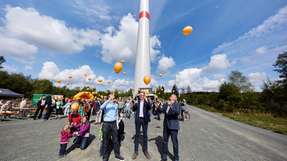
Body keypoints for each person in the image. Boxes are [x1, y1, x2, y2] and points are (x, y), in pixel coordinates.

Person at [100, 93, 124, 161]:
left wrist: (117, 124)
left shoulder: (116, 105)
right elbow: (101, 107)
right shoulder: (106, 104)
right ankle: (105, 156)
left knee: (116, 140)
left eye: (113, 98)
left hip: (113, 123)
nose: (112, 99)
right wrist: (108, 100)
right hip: (106, 123)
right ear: (108, 97)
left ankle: (117, 154)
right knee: (105, 140)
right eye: (111, 97)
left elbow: (117, 115)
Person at [157, 94, 181, 161]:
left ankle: (176, 158)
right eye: (170, 96)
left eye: (172, 96)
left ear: (175, 98)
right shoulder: (166, 104)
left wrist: (171, 105)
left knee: (174, 143)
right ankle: (164, 157)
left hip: (173, 127)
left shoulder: (177, 104)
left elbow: (177, 112)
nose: (170, 97)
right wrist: (159, 105)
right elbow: (161, 111)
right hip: (166, 126)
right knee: (165, 142)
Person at [131, 91, 151, 160]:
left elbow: (149, 107)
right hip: (138, 120)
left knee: (145, 135)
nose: (141, 96)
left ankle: (145, 151)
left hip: (144, 120)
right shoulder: (137, 102)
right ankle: (136, 152)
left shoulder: (146, 102)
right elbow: (133, 109)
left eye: (142, 95)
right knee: (137, 135)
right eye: (140, 95)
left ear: (144, 96)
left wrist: (147, 100)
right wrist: (133, 104)